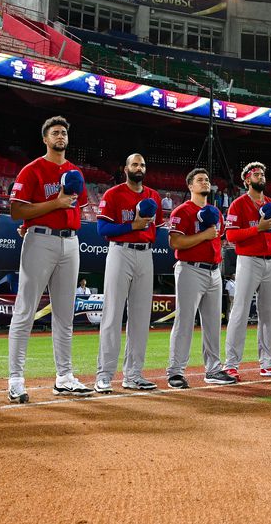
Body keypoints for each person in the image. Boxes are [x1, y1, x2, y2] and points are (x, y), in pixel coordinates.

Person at [6, 116, 92, 404]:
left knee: (65, 314)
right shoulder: (33, 170)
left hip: (70, 241)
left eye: (64, 132)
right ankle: (16, 379)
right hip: (40, 239)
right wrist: (53, 204)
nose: (60, 136)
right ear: (45, 138)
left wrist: (56, 208)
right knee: (25, 309)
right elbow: (17, 211)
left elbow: (75, 208)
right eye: (55, 132)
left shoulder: (74, 171)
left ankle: (65, 377)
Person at [94, 153, 163, 393]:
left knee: (141, 317)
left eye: (143, 164)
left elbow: (156, 228)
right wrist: (131, 225)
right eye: (135, 164)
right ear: (125, 168)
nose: (139, 167)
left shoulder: (153, 196)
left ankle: (134, 374)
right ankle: (104, 375)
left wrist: (140, 228)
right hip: (120, 252)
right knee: (112, 314)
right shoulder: (113, 194)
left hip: (145, 253)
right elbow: (102, 228)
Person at [166, 168, 236, 388]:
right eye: (199, 180)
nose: (205, 182)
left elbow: (220, 239)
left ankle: (213, 369)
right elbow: (175, 243)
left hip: (214, 271)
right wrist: (203, 236)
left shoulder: (216, 212)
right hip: (190, 269)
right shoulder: (182, 211)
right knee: (185, 321)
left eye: (206, 180)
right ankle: (175, 372)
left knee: (213, 323)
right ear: (190, 186)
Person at [224, 161, 271, 379]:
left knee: (269, 314)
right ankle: (231, 364)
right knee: (240, 311)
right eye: (256, 174)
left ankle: (268, 363)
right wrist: (256, 229)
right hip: (248, 260)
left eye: (262, 173)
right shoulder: (238, 204)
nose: (261, 177)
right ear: (247, 179)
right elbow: (230, 236)